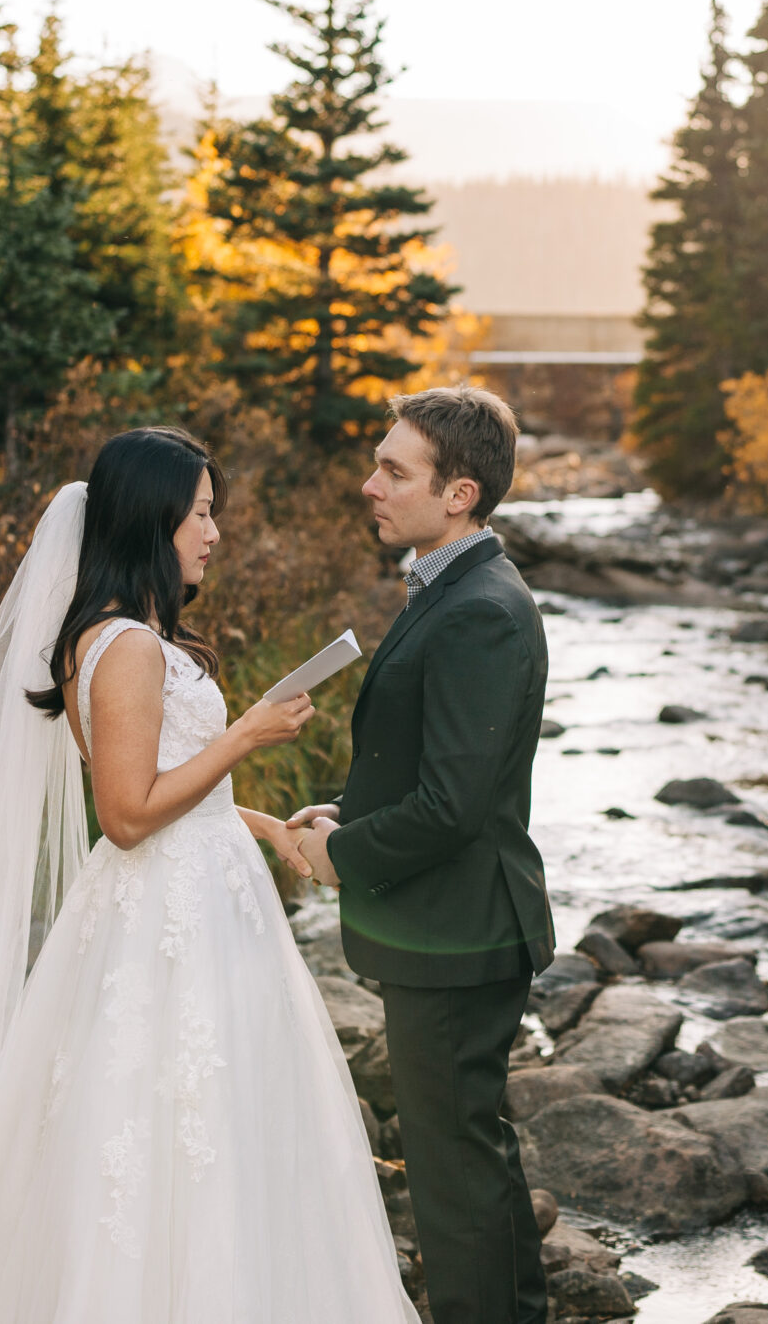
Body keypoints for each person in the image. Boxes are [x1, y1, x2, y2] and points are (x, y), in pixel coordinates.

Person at [0, 426, 416, 1324]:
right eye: (200, 512)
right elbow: (125, 814)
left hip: (204, 904)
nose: (214, 532)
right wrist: (248, 734)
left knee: (215, 1133)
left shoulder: (136, 637)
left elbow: (177, 790)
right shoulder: (125, 647)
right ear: (152, 520)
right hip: (166, 921)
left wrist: (272, 828)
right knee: (167, 1135)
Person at [290, 386, 554, 1324]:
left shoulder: (481, 606)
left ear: (460, 493)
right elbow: (441, 771)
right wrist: (347, 810)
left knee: (451, 1177)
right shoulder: (455, 586)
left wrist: (339, 857)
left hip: (460, 933)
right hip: (459, 922)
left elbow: (452, 807)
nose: (371, 485)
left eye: (394, 470)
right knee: (471, 1154)